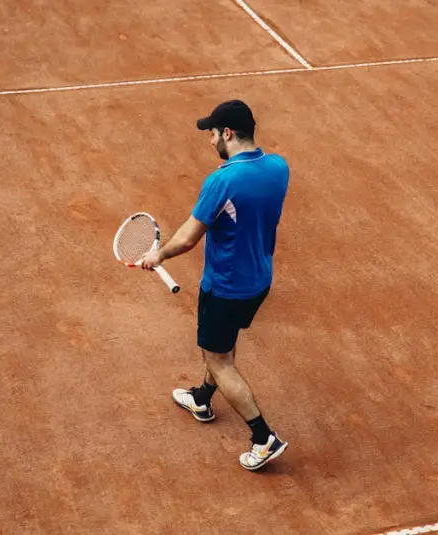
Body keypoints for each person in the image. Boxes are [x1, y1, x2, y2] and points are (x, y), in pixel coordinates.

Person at [139, 99, 289, 471]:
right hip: (259, 280)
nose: (209, 141)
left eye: (211, 133)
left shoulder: (222, 181)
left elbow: (189, 238)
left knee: (219, 358)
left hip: (225, 286)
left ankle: (262, 437)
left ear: (227, 134)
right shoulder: (278, 167)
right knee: (222, 344)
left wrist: (158, 256)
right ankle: (203, 398)